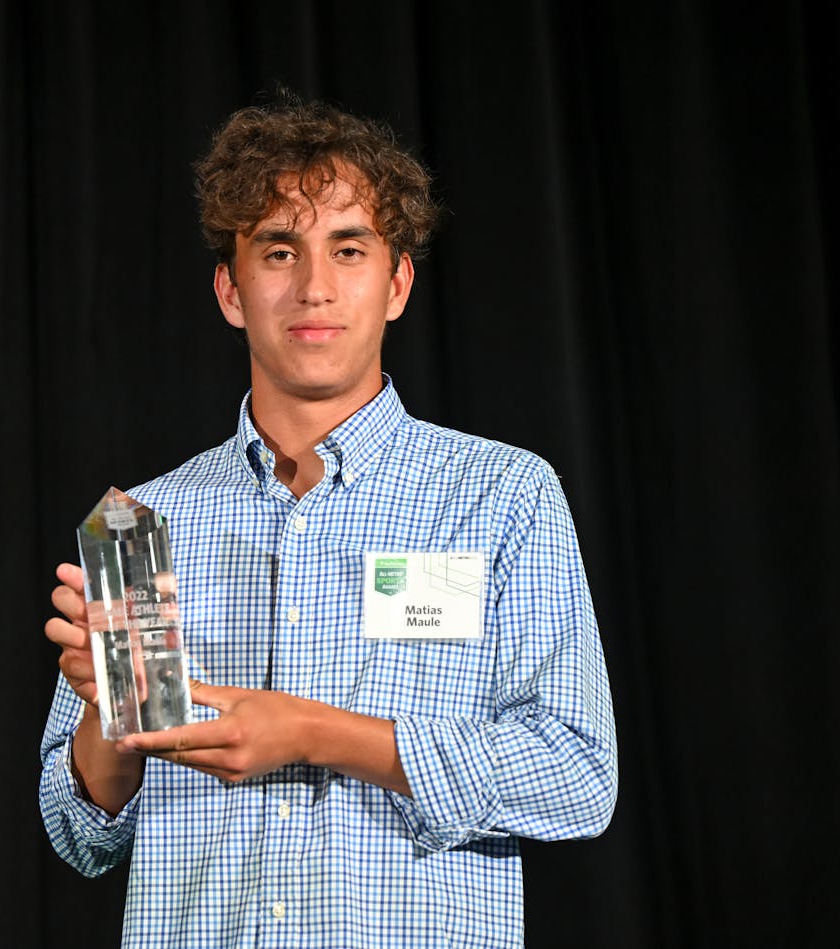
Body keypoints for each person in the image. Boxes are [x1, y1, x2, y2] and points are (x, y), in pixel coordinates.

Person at [40, 94, 617, 949]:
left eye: (349, 249)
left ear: (398, 283)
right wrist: (108, 713)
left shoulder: (502, 494)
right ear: (232, 291)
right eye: (280, 250)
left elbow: (577, 774)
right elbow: (80, 831)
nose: (314, 286)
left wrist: (318, 734)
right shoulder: (137, 522)